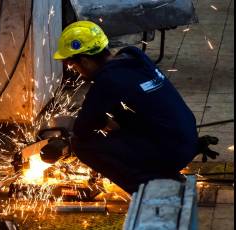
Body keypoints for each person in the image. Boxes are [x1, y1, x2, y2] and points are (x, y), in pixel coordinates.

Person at [52, 21, 218, 194]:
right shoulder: (133, 56)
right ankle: (164, 173)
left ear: (85, 61)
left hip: (172, 152)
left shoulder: (107, 80)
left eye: (73, 65)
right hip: (187, 139)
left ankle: (150, 189)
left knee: (81, 145)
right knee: (120, 122)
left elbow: (82, 129)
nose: (76, 71)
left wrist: (68, 133)